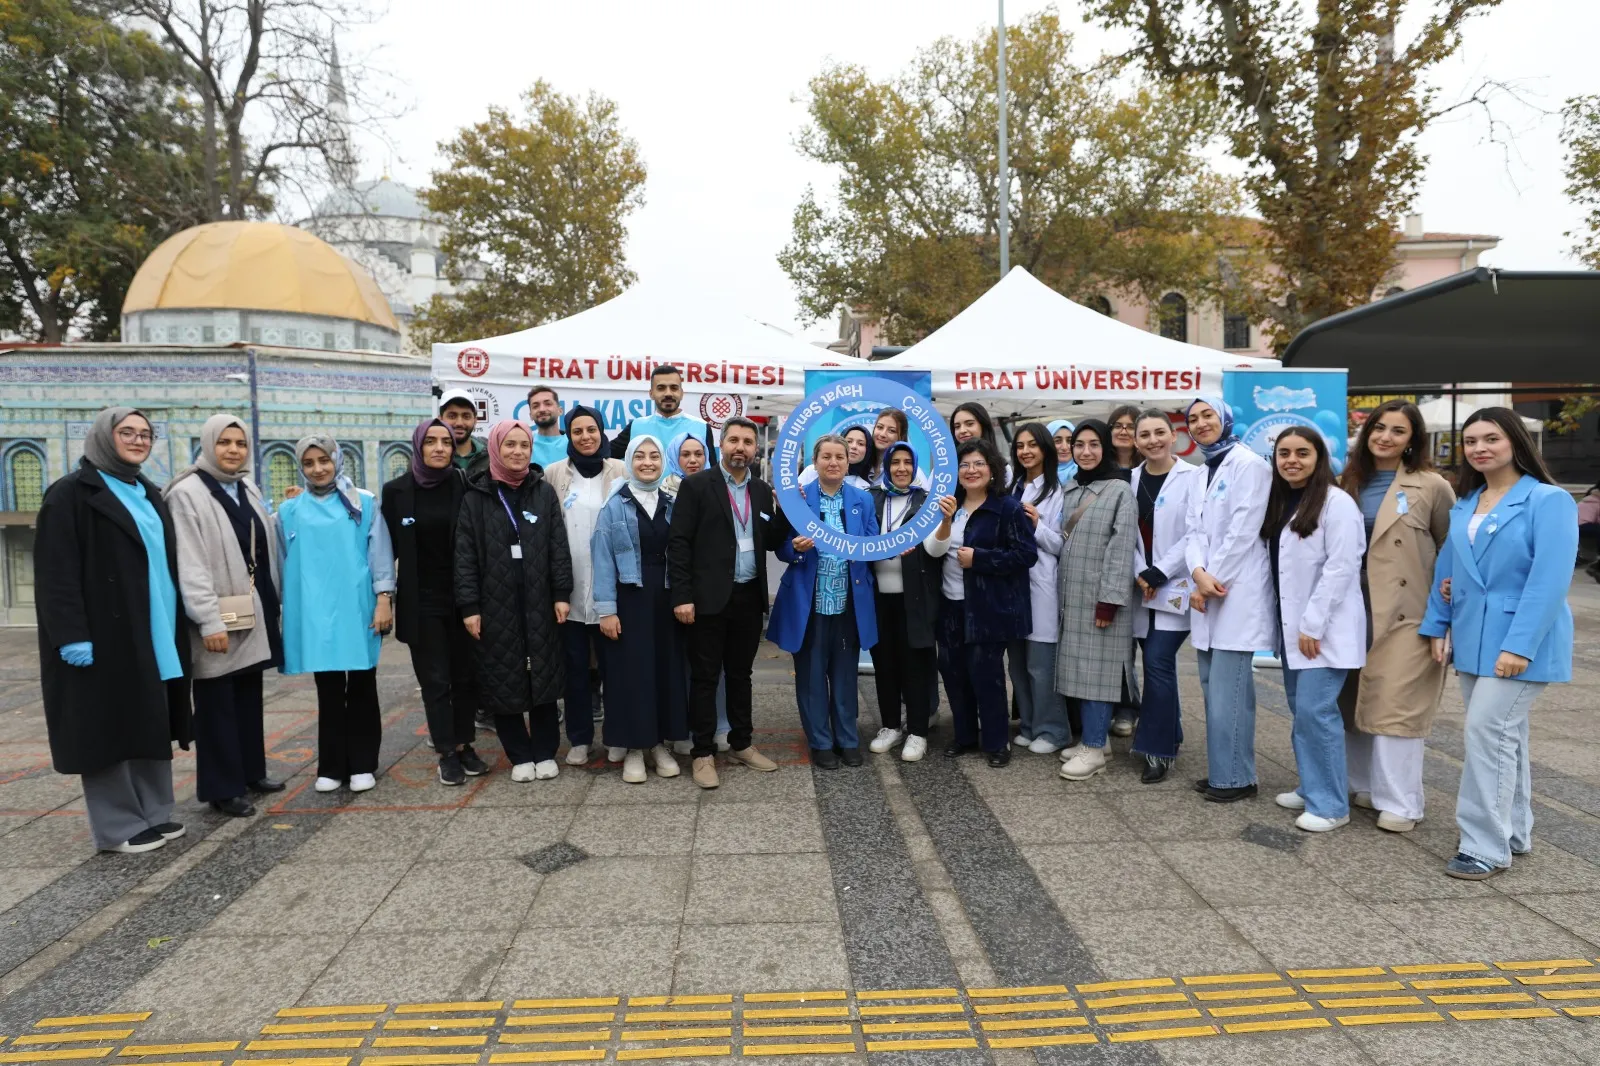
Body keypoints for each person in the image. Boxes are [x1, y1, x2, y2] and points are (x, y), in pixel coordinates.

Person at [1420, 408, 1576, 880]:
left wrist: (1519, 646)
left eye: (1491, 438)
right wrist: (1437, 624)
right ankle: (1514, 831)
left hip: (1520, 641)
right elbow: (1447, 571)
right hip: (1472, 637)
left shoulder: (1549, 500)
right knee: (1506, 736)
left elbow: (1549, 581)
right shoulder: (1467, 502)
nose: (1479, 448)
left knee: (1487, 733)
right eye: (1470, 441)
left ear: (1515, 442)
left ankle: (1483, 845)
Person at [35, 408, 191, 853]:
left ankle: (154, 813)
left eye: (146, 434)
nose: (139, 441)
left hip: (154, 627)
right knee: (105, 728)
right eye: (128, 433)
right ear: (105, 437)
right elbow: (55, 572)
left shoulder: (148, 492)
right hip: (104, 634)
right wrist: (71, 635)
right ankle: (119, 825)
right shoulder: (70, 495)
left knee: (148, 721)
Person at [1338, 400, 1454, 832]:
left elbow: (1450, 549)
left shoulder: (1432, 486)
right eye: (1379, 427)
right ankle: (1362, 783)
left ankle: (1403, 801)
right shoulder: (1345, 482)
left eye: (1398, 431)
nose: (1385, 437)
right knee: (1351, 699)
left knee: (1397, 703)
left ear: (1412, 440)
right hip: (1352, 608)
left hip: (1408, 612)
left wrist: (1444, 616)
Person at [166, 414, 282, 818]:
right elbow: (190, 563)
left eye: (240, 443)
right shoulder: (187, 493)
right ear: (208, 444)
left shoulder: (245, 485)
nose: (233, 450)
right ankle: (221, 788)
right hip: (218, 615)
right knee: (217, 703)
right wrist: (208, 619)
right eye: (225, 443)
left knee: (248, 695)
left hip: (251, 608)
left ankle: (251, 772)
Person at [667, 416, 782, 789]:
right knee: (704, 678)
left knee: (741, 675)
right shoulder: (697, 485)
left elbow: (774, 535)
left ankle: (741, 744)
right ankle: (702, 753)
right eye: (734, 440)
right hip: (707, 599)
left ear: (755, 449)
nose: (741, 448)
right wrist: (682, 596)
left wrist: (793, 532)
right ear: (721, 444)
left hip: (748, 596)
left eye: (748, 442)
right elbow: (679, 544)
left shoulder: (763, 491)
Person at [456, 420, 574, 782]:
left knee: (543, 677)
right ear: (495, 448)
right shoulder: (476, 497)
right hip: (495, 603)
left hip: (540, 600)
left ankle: (544, 751)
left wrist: (561, 593)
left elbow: (558, 545)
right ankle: (520, 755)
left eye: (524, 445)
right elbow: (465, 556)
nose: (518, 452)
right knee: (502, 678)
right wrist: (470, 607)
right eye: (510, 445)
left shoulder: (542, 492)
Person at [278, 435, 395, 794]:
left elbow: (379, 552)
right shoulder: (289, 510)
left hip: (357, 606)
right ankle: (330, 764)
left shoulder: (363, 502)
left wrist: (383, 598)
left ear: (337, 459)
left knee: (361, 685)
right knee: (328, 690)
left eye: (323, 460)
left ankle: (362, 763)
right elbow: (283, 560)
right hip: (314, 610)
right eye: (309, 463)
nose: (318, 469)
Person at [1263, 428, 1367, 832]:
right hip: (1295, 633)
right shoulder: (1282, 500)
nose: (1291, 460)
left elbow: (1341, 568)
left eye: (1302, 453)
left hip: (1322, 631)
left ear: (1319, 457)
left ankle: (1330, 805)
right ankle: (1312, 786)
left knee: (1316, 712)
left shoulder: (1337, 503)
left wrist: (1313, 623)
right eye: (1284, 453)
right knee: (1301, 712)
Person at [382, 418, 486, 786]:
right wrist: (382, 598)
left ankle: (465, 744)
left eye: (445, 441)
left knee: (465, 677)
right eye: (431, 442)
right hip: (422, 601)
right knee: (436, 680)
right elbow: (382, 548)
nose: (440, 448)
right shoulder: (396, 492)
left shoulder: (463, 484)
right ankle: (446, 752)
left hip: (463, 598)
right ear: (419, 447)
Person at [770, 435, 880, 768]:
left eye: (840, 457)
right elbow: (781, 547)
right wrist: (796, 550)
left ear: (849, 463)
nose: (833, 462)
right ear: (815, 463)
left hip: (848, 601)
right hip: (810, 602)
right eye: (826, 457)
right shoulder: (799, 500)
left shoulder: (862, 499)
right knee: (812, 676)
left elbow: (874, 543)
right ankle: (819, 741)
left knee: (846, 676)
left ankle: (847, 739)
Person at [925, 439, 1037, 767]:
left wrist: (981, 559)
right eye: (964, 465)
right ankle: (964, 736)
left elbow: (1026, 554)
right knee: (954, 675)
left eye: (978, 464)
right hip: (950, 607)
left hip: (988, 609)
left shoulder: (1007, 507)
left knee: (986, 677)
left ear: (992, 470)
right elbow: (933, 549)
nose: (971, 471)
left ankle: (996, 741)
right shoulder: (948, 504)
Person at [1184, 397, 1274, 803]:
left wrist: (1210, 577)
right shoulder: (1204, 471)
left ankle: (1236, 778)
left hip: (1234, 591)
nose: (1201, 423)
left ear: (1225, 419)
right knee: (1211, 687)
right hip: (1209, 587)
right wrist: (1199, 573)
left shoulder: (1250, 465)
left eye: (1208, 416)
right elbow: (1192, 532)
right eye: (1193, 418)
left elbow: (1244, 529)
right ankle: (1226, 770)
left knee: (1230, 691)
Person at [593, 435, 688, 783]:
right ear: (629, 460)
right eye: (640, 456)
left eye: (654, 456)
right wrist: (606, 610)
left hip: (665, 598)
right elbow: (602, 559)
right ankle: (634, 747)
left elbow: (683, 554)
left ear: (663, 462)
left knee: (664, 670)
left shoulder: (673, 502)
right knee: (631, 674)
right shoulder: (615, 505)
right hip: (629, 597)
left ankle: (658, 744)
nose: (647, 462)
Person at [1054, 422, 1139, 781]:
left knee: (1098, 674)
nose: (1085, 451)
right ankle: (1096, 740)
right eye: (1079, 445)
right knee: (1080, 669)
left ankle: (1093, 750)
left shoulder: (1119, 490)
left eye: (1093, 444)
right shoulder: (1072, 488)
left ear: (1105, 447)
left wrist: (1110, 601)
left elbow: (1122, 550)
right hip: (1073, 597)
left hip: (1102, 600)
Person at [542, 406, 627, 765]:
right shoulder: (554, 474)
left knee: (616, 670)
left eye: (591, 429)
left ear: (602, 431)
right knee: (575, 670)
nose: (586, 437)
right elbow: (548, 531)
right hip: (570, 590)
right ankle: (579, 738)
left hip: (614, 591)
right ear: (568, 436)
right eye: (577, 432)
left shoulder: (620, 469)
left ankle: (619, 735)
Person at [1127, 409, 1201, 783]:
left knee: (1156, 661)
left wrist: (1160, 571)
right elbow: (1126, 532)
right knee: (1156, 666)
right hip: (1142, 587)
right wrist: (1141, 572)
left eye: (1160, 432)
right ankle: (1171, 730)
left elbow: (1197, 531)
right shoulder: (1130, 479)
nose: (1153, 440)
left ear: (1174, 436)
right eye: (1145, 435)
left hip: (1176, 587)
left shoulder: (1194, 477)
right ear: (1136, 441)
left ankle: (1157, 749)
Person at [867, 442, 941, 761]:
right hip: (878, 597)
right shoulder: (872, 498)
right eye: (894, 462)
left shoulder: (927, 502)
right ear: (886, 466)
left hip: (915, 596)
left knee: (916, 665)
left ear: (915, 467)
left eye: (907, 462)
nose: (900, 468)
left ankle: (918, 732)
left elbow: (937, 549)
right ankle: (890, 726)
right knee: (884, 664)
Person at [1007, 423, 1070, 754]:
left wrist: (1037, 526)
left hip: (1042, 586)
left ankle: (1053, 730)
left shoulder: (1059, 491)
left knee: (1041, 665)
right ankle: (1029, 724)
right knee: (1017, 664)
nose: (1026, 451)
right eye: (1020, 446)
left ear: (1045, 449)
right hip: (1011, 587)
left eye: (1032, 444)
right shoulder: (1013, 486)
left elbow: (1061, 545)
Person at [612, 364, 715, 461]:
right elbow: (605, 453)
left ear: (682, 393)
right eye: (661, 388)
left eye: (674, 388)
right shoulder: (636, 426)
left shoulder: (701, 427)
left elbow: (712, 472)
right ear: (651, 394)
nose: (668, 393)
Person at [439, 389, 487, 477]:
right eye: (452, 416)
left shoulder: (491, 454)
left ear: (475, 420)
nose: (459, 423)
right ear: (440, 420)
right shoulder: (427, 456)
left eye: (466, 416)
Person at [526, 384, 569, 470]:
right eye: (535, 406)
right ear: (530, 415)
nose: (542, 409)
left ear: (560, 410)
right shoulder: (525, 444)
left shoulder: (573, 443)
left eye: (548, 404)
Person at [664, 431, 708, 495]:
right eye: (685, 455)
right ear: (674, 459)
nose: (693, 460)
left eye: (698, 454)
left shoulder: (717, 490)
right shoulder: (661, 494)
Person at [1578, 481, 1600, 582]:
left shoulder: (1592, 499)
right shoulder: (1595, 501)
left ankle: (1596, 566)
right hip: (1582, 526)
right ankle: (1596, 567)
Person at [1107, 405, 1141, 470]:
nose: (1123, 432)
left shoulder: (1149, 465)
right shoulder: (1099, 465)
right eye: (1117, 426)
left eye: (1131, 427)